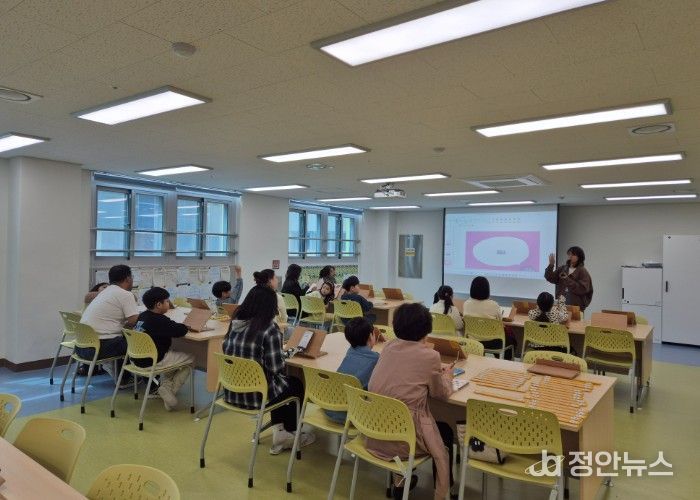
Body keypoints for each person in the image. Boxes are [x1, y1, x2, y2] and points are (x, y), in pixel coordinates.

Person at [367, 303, 455, 500]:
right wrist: (447, 376)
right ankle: (444, 492)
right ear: (426, 329)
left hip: (374, 430)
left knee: (402, 412)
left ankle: (400, 481)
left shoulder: (388, 347)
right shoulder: (431, 356)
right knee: (446, 432)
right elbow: (441, 394)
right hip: (404, 441)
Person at [222, 285, 315, 454]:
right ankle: (291, 432)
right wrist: (284, 355)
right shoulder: (268, 329)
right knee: (294, 384)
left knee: (279, 384)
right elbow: (277, 368)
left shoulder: (234, 326)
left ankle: (280, 431)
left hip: (232, 392)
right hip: (256, 397)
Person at [134, 287, 194, 410]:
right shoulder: (159, 320)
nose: (169, 303)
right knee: (191, 358)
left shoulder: (142, 316)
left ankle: (166, 387)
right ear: (158, 304)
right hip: (153, 361)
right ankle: (170, 390)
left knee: (172, 355)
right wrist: (186, 326)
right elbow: (180, 331)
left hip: (136, 359)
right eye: (167, 301)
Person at [79, 265, 138, 385]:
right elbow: (133, 321)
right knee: (137, 342)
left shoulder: (104, 292)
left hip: (81, 347)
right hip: (97, 349)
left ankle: (121, 376)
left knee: (121, 338)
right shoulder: (125, 294)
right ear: (128, 278)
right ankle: (126, 379)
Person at [325, 317, 379, 424]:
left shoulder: (350, 351)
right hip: (353, 415)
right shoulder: (376, 359)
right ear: (371, 336)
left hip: (330, 407)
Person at [462, 276, 516, 360]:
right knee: (512, 339)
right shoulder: (493, 305)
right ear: (487, 290)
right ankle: (504, 363)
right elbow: (500, 323)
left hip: (473, 341)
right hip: (493, 343)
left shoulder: (466, 304)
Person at [544, 246, 593, 312]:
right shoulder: (563, 268)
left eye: (573, 254)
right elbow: (550, 278)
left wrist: (567, 280)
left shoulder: (583, 272)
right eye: (569, 254)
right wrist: (551, 265)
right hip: (561, 305)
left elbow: (582, 289)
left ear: (579, 257)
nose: (570, 256)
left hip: (576, 307)